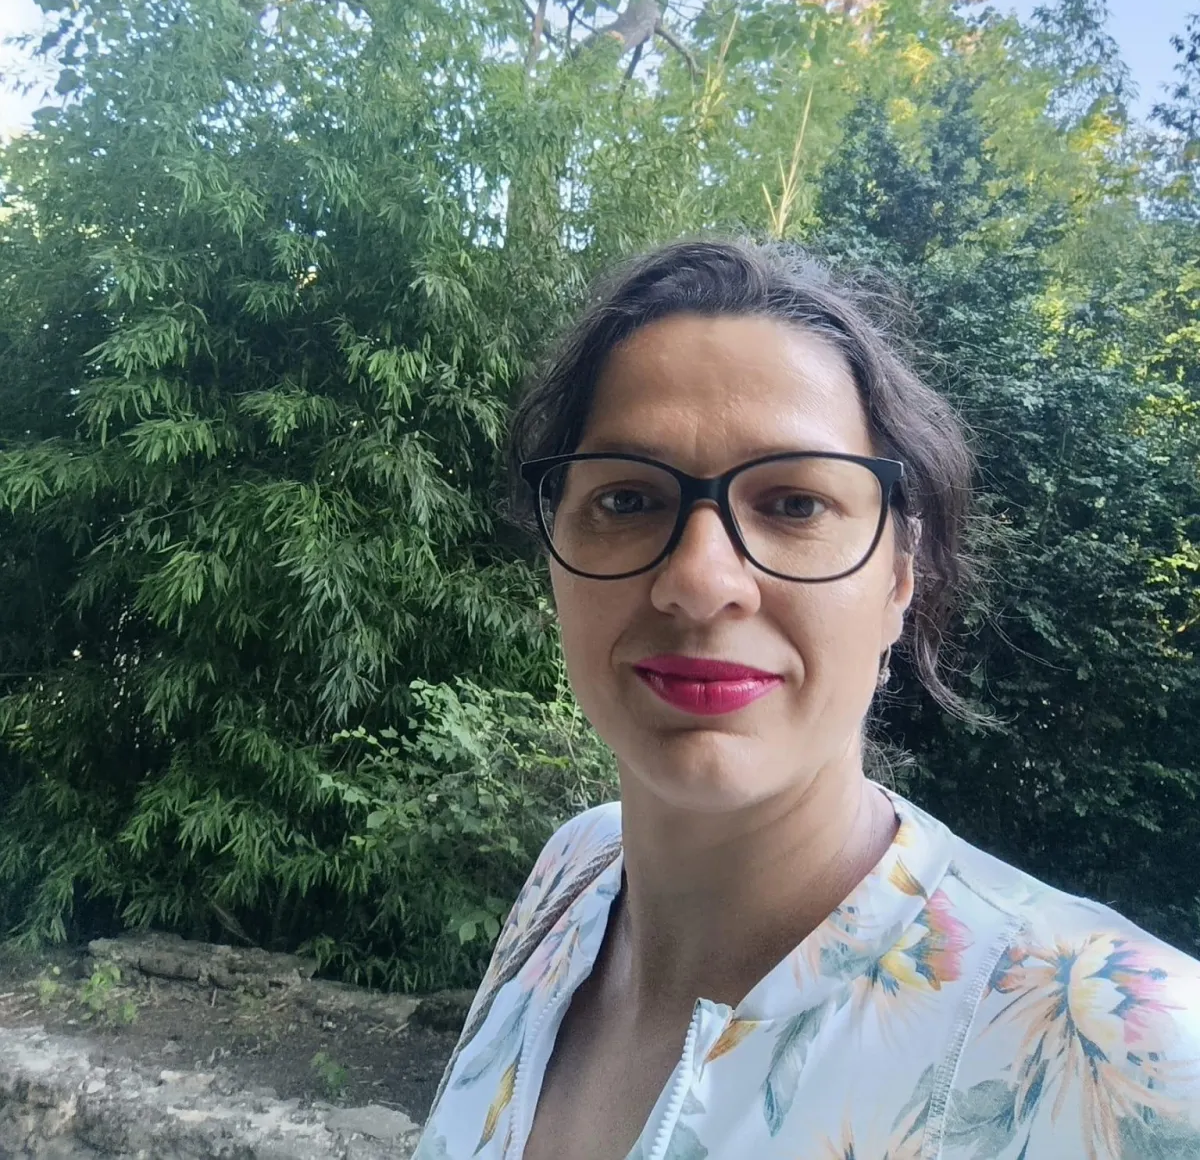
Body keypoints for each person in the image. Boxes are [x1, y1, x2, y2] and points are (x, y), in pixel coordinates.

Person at [414, 238, 1200, 1160]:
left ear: (900, 576)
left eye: (794, 504)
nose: (701, 582)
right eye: (627, 500)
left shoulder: (1124, 1050)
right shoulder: (571, 875)